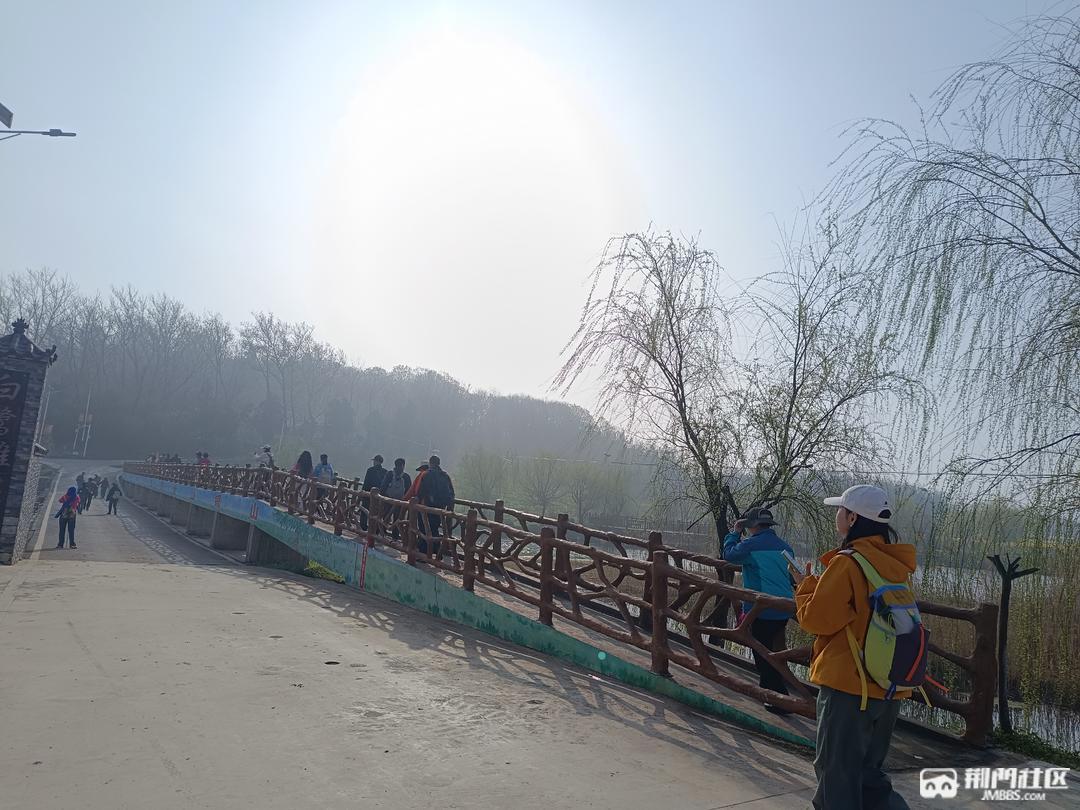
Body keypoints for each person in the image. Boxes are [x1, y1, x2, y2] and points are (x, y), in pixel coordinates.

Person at [793, 485, 914, 810]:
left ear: (852, 518)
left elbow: (817, 620)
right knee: (869, 777)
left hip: (850, 686)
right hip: (889, 685)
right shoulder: (895, 565)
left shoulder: (848, 563)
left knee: (836, 776)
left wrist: (805, 588)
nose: (837, 515)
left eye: (840, 510)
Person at [722, 506, 796, 710]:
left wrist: (735, 533)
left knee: (763, 654)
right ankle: (775, 694)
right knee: (773, 651)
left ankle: (777, 698)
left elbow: (728, 555)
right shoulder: (786, 547)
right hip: (784, 607)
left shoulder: (750, 545)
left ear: (751, 525)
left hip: (762, 608)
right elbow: (792, 576)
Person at [417, 454, 455, 542]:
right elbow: (452, 493)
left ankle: (424, 547)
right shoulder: (445, 475)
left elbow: (420, 492)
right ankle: (435, 547)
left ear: (430, 463)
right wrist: (450, 507)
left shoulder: (426, 474)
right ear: (439, 463)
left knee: (424, 528)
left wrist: (417, 504)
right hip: (441, 507)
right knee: (435, 527)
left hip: (427, 506)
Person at [382, 458, 411, 539]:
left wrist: (382, 498)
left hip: (389, 500)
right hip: (399, 502)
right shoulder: (406, 476)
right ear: (403, 466)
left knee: (386, 517)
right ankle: (394, 536)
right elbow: (409, 490)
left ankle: (382, 533)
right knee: (397, 519)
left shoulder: (390, 474)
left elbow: (383, 486)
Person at [360, 455, 388, 531]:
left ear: (377, 461)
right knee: (377, 513)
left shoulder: (370, 470)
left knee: (364, 511)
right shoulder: (385, 472)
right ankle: (374, 529)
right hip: (379, 495)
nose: (374, 462)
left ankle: (363, 527)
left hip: (368, 494)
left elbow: (366, 482)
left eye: (375, 461)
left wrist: (362, 493)